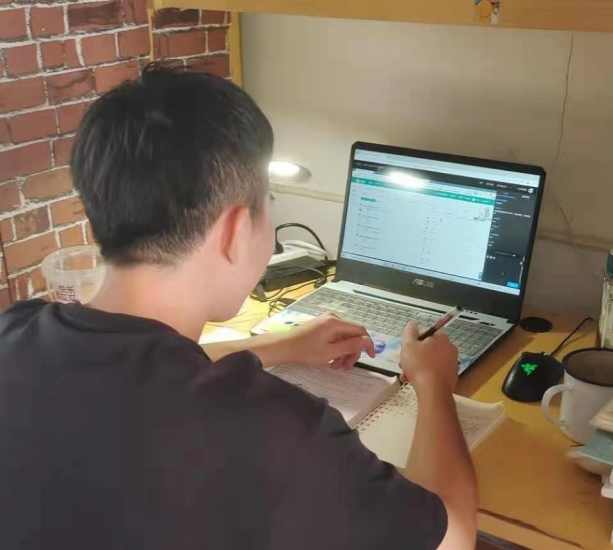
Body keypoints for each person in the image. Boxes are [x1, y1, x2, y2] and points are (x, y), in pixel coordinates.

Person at [0, 65, 477, 549]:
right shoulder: (274, 430)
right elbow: (454, 538)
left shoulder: (14, 332)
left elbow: (138, 368)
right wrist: (434, 385)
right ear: (233, 231)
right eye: (269, 202)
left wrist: (281, 345)